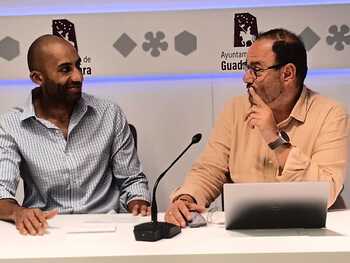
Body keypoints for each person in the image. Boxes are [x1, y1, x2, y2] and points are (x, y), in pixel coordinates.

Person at [165, 28, 349, 227]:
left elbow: (326, 192)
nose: (246, 78)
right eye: (247, 68)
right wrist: (187, 199)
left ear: (288, 73)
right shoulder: (236, 109)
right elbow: (210, 169)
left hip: (311, 231)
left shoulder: (330, 114)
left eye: (257, 70)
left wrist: (275, 139)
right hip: (245, 231)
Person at [0, 35, 151, 235]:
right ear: (38, 78)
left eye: (78, 66)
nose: (78, 76)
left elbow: (133, 180)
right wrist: (18, 213)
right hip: (45, 230)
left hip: (107, 229)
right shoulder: (10, 125)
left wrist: (137, 202)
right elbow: (1, 191)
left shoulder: (109, 114)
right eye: (65, 69)